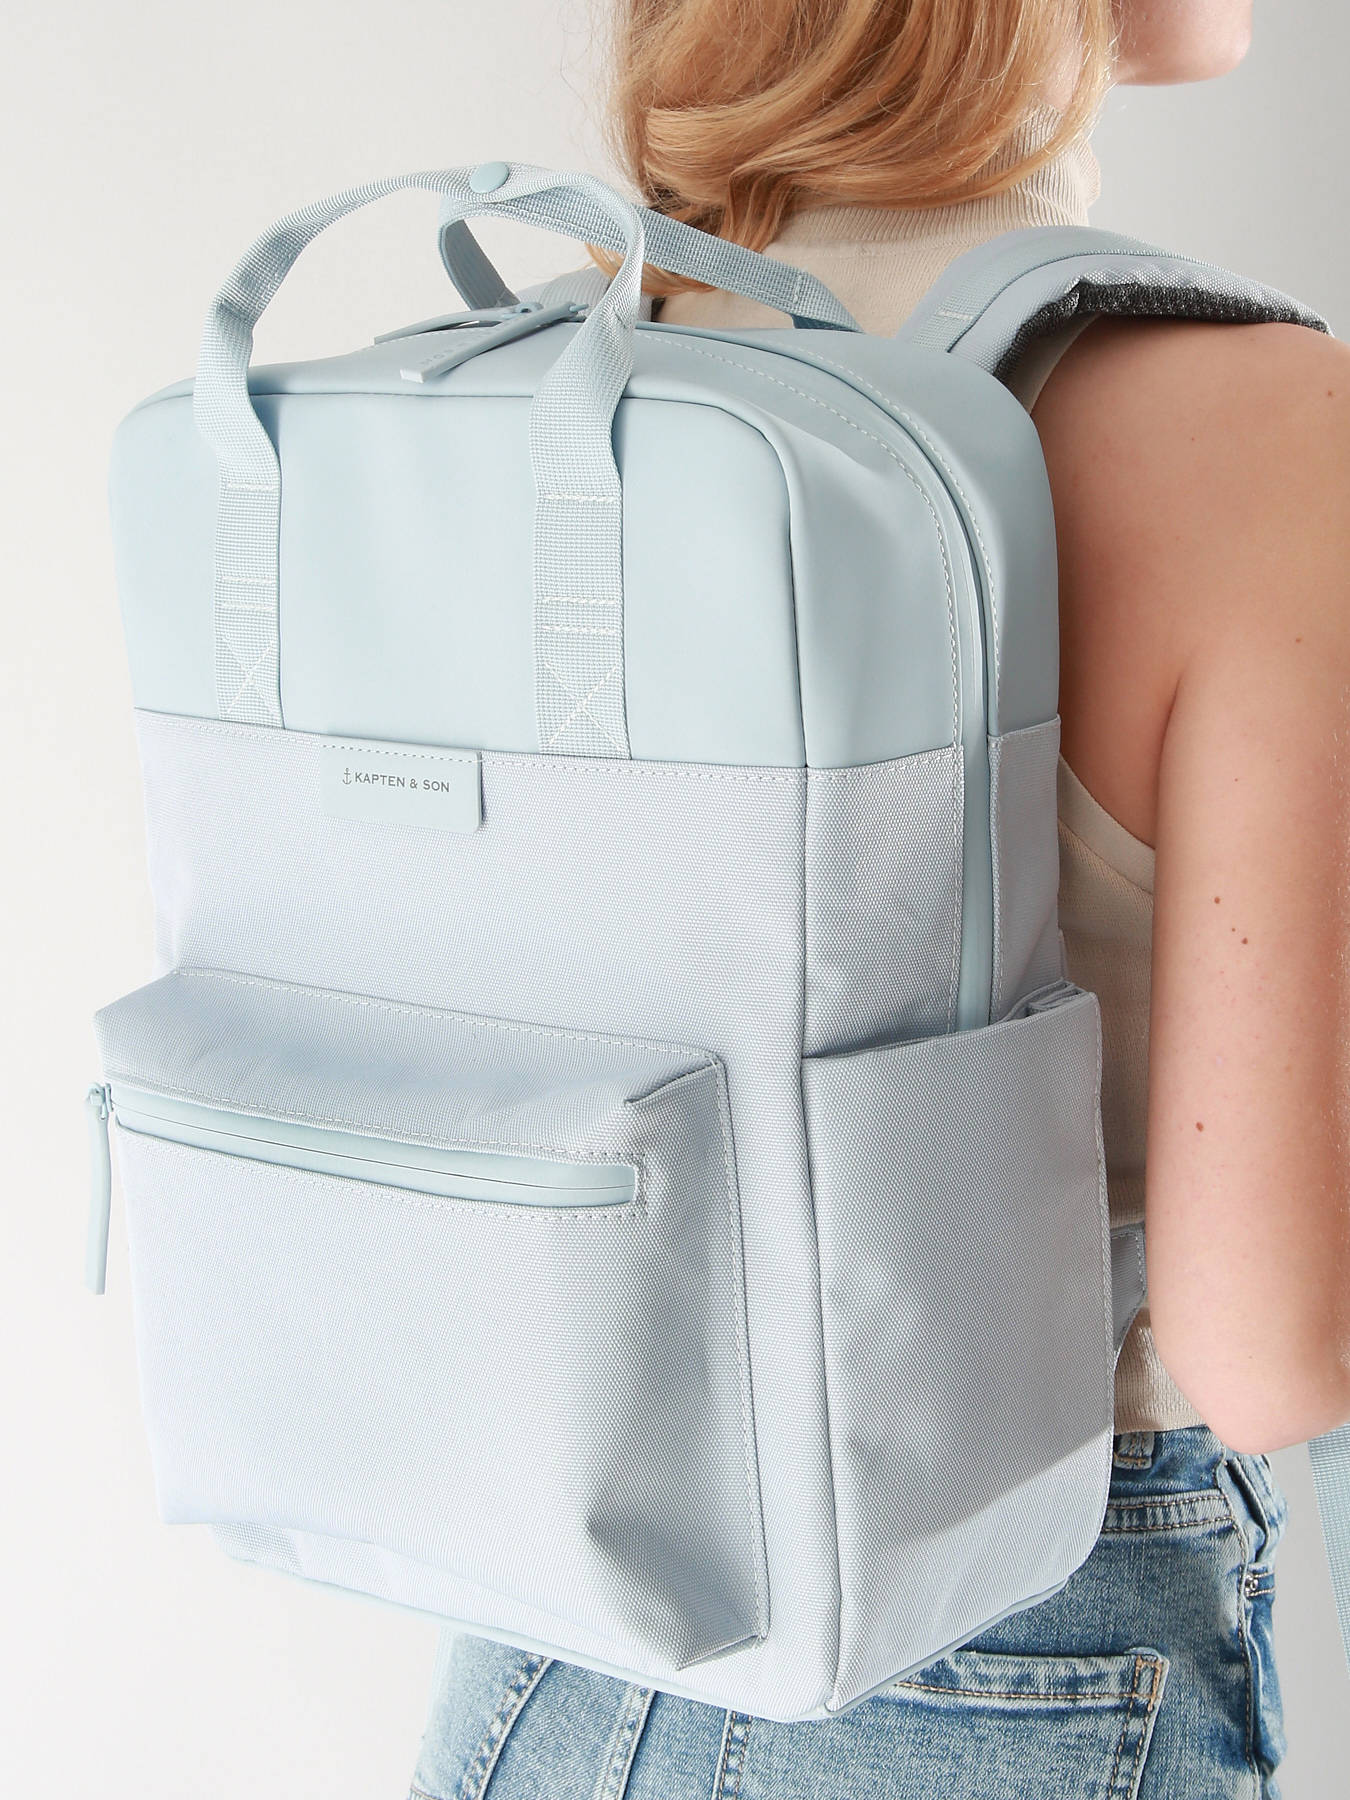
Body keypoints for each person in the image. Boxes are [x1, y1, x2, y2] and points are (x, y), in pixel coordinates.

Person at [408, 4, 1350, 1794]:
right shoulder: (1272, 427)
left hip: (553, 1635)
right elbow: (1265, 1352)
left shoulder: (565, 370)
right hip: (1015, 1650)